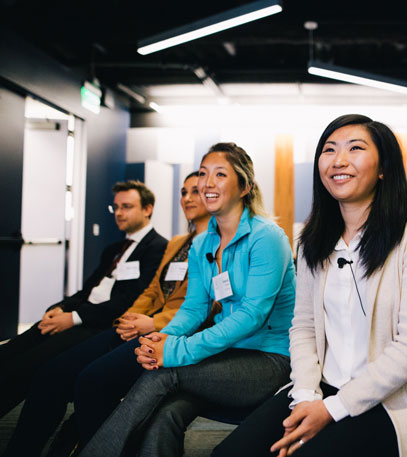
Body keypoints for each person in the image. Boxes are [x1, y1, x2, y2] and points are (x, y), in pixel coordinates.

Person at [211, 114, 407, 457]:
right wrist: (307, 395)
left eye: (355, 148)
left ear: (384, 167)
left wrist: (334, 409)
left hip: (390, 402)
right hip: (319, 390)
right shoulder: (313, 240)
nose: (339, 161)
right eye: (329, 150)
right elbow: (304, 327)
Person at [80, 143, 296, 457]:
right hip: (227, 356)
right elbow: (194, 308)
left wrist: (176, 350)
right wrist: (161, 338)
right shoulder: (202, 244)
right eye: (204, 173)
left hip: (270, 360)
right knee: (166, 412)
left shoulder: (268, 237)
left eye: (220, 174)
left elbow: (252, 315)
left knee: (166, 372)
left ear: (245, 186)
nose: (207, 183)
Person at [1, 172, 211, 457]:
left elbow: (200, 306)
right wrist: (127, 318)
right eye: (184, 192)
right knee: (20, 356)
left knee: (61, 375)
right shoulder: (176, 243)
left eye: (195, 191)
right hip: (132, 323)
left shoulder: (203, 245)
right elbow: (149, 292)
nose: (187, 198)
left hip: (165, 331)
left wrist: (148, 322)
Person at [0, 181, 167, 418]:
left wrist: (74, 318)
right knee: (8, 353)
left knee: (25, 367)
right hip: (80, 314)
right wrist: (60, 308)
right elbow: (87, 290)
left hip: (98, 325)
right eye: (116, 207)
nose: (119, 213)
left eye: (127, 206)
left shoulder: (159, 248)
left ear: (147, 209)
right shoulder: (114, 249)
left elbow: (130, 300)